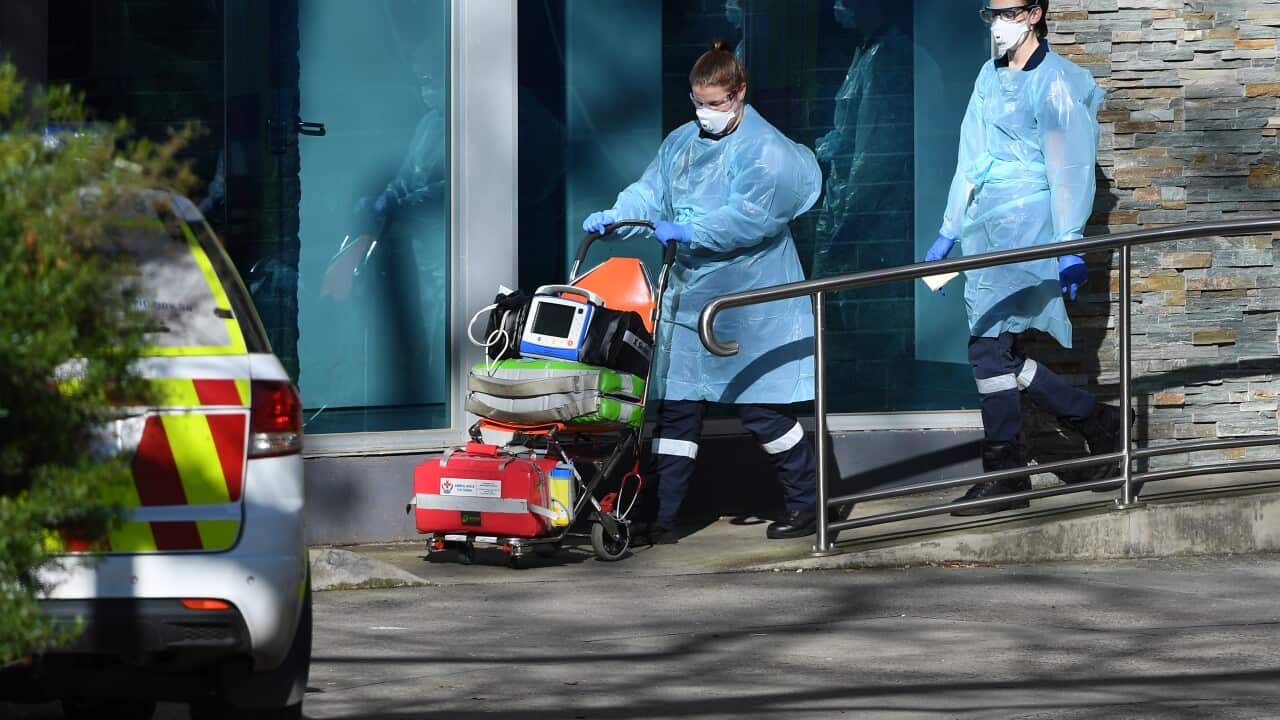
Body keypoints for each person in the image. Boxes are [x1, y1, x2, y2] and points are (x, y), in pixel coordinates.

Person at [582, 41, 823, 542]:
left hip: (751, 298)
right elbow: (651, 193)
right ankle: (663, 516)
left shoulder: (766, 150)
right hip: (690, 297)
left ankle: (808, 504)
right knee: (676, 411)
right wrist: (619, 217)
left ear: (738, 94)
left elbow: (752, 217)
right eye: (699, 102)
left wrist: (693, 232)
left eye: (715, 103)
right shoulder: (681, 144)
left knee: (763, 411)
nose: (706, 113)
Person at [924, 0, 1125, 517]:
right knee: (997, 353)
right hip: (988, 230)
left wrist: (1068, 245)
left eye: (1007, 12)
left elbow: (1071, 169)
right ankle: (1094, 420)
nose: (997, 23)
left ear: (1035, 14)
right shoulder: (988, 78)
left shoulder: (1057, 82)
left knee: (987, 351)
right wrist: (949, 230)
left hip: (1032, 227)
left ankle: (1006, 473)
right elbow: (969, 156)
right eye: (990, 12)